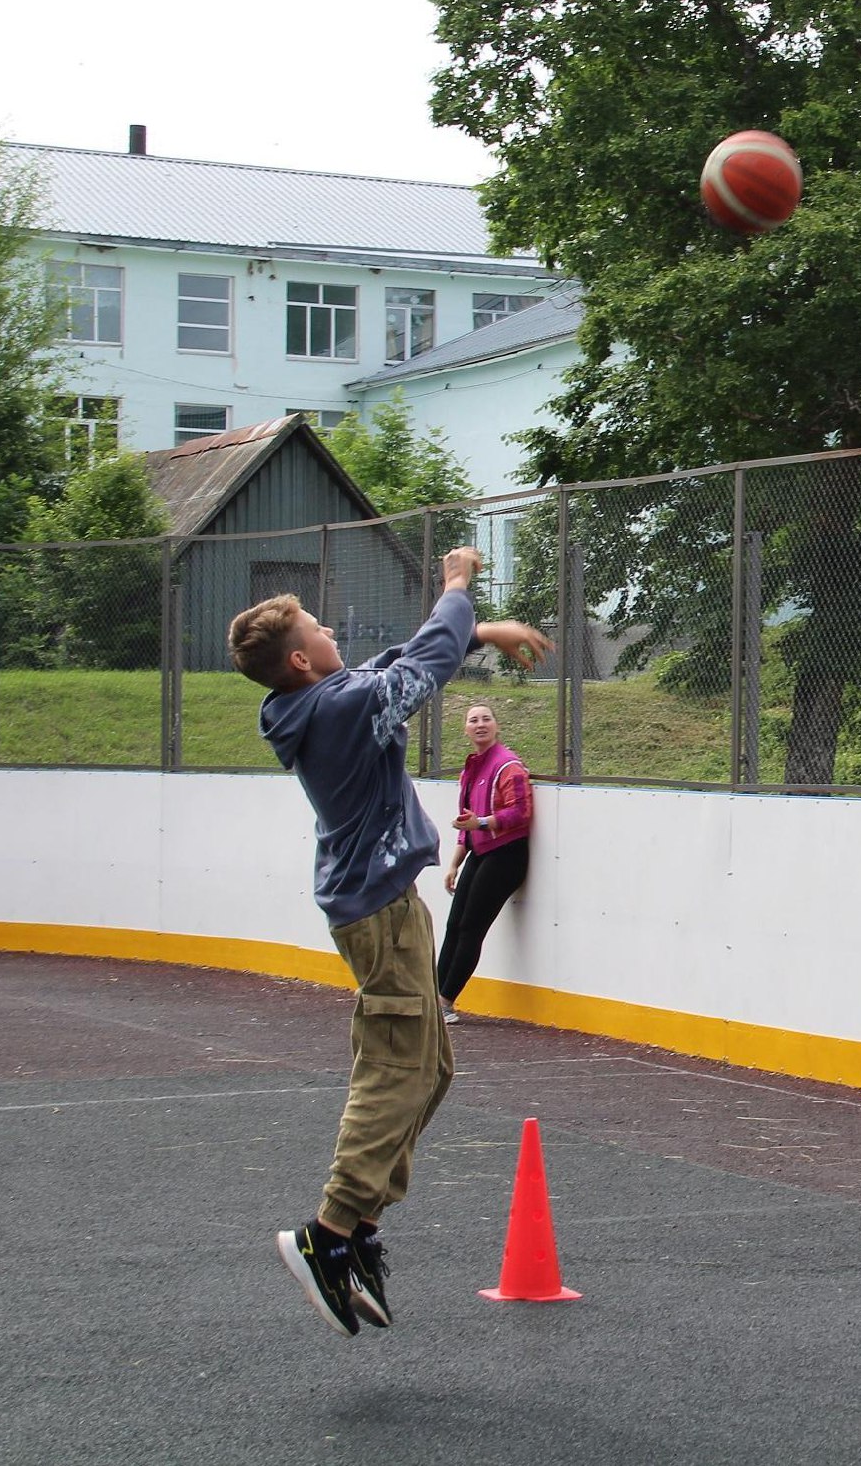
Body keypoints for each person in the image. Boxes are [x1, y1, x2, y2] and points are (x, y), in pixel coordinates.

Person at [228, 547, 551, 1337]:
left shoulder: (322, 698)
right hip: (377, 910)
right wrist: (457, 588)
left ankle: (362, 1229)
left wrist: (483, 628)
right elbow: (423, 663)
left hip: (383, 903)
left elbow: (403, 660)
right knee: (394, 1067)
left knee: (432, 1068)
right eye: (316, 625)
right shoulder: (339, 708)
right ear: (301, 659)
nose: (331, 626)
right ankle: (327, 1233)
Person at [437, 703, 534, 1024]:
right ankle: (435, 995)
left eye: (486, 719)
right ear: (465, 729)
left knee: (470, 928)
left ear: (496, 726)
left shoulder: (508, 766)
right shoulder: (471, 769)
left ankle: (446, 1001)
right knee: (454, 925)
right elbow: (466, 824)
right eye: (473, 720)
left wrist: (481, 823)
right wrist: (454, 863)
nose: (480, 724)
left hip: (506, 855)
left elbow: (521, 812)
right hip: (481, 852)